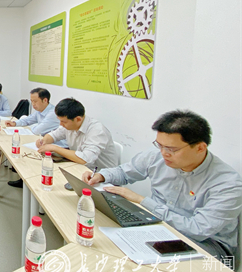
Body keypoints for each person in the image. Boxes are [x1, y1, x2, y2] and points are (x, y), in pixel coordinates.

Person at [83, 110, 242, 261]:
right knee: (104, 244)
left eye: (172, 149)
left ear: (200, 147)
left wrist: (142, 201)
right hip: (158, 227)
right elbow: (124, 172)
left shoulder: (227, 184)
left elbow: (197, 230)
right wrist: (101, 175)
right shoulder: (157, 156)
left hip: (205, 245)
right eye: (159, 145)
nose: (164, 153)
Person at [6, 88, 67, 188]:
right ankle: (24, 180)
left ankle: (28, 181)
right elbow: (28, 120)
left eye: (35, 101)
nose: (33, 104)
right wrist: (15, 123)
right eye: (32, 101)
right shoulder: (39, 111)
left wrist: (31, 127)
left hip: (59, 148)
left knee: (27, 151)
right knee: (24, 148)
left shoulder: (52, 113)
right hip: (45, 142)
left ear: (45, 100)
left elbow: (37, 130)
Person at [36, 98, 118, 170]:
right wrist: (44, 140)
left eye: (64, 121)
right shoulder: (70, 125)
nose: (61, 124)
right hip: (80, 168)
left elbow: (85, 159)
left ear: (78, 119)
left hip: (101, 175)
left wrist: (54, 148)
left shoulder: (97, 131)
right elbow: (54, 135)